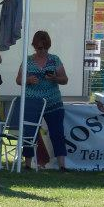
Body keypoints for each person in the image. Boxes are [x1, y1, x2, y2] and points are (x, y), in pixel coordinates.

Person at [16, 30, 69, 171]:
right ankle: (27, 164)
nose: (42, 51)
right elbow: (18, 80)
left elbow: (65, 79)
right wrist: (28, 80)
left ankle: (62, 165)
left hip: (53, 101)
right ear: (34, 46)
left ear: (48, 46)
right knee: (29, 132)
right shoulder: (28, 60)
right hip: (32, 102)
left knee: (57, 132)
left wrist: (55, 78)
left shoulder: (54, 59)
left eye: (45, 47)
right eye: (39, 48)